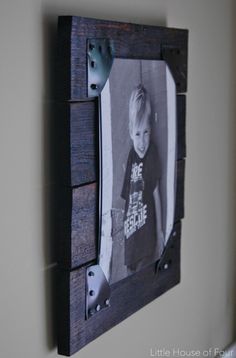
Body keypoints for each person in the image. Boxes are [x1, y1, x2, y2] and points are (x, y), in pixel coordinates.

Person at [121, 84, 164, 274]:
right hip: (131, 242)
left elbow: (156, 192)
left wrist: (161, 232)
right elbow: (128, 199)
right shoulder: (131, 155)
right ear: (130, 132)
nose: (142, 141)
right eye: (138, 134)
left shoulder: (152, 152)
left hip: (146, 241)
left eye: (146, 132)